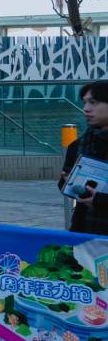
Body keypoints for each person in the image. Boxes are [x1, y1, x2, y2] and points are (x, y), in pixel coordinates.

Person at [61, 80, 108, 237]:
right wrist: (68, 181)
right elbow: (63, 185)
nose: (86, 109)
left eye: (93, 102)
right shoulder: (79, 144)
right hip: (85, 232)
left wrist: (100, 200)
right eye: (85, 103)